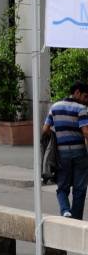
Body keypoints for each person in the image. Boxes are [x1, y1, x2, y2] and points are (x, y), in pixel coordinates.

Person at [43, 82, 88, 219]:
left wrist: (58, 136)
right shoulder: (82, 109)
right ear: (77, 93)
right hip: (80, 153)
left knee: (62, 186)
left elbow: (45, 129)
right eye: (86, 97)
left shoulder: (55, 107)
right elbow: (86, 132)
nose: (87, 100)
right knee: (79, 188)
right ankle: (76, 219)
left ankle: (65, 210)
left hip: (62, 154)